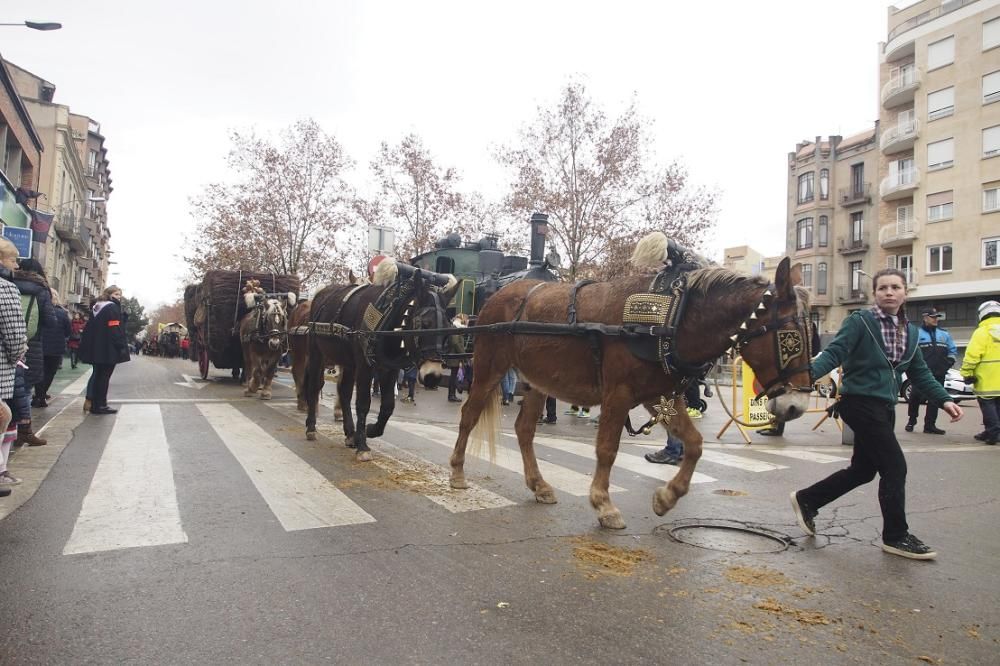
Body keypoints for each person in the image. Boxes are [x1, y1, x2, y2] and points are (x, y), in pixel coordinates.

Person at [789, 268, 963, 560]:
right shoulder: (860, 321)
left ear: (905, 293)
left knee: (863, 470)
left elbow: (919, 373)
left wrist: (944, 400)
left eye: (895, 287)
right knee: (895, 467)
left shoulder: (910, 332)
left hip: (885, 408)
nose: (889, 292)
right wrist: (801, 381)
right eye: (883, 288)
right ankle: (896, 536)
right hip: (859, 404)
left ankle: (807, 499)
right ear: (875, 294)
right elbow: (834, 354)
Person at [10, 258, 55, 447]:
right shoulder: (41, 290)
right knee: (25, 389)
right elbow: (50, 321)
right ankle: (24, 431)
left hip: (6, 338)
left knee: (7, 389)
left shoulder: (9, 283)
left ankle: (8, 431)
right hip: (32, 343)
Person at [759, 326, 823, 437]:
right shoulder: (801, 324)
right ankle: (774, 425)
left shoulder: (802, 325)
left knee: (783, 396)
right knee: (778, 396)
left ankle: (777, 428)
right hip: (790, 365)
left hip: (793, 368)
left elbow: (813, 348)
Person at [77, 285, 131, 415]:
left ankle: (94, 402)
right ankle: (100, 405)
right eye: (117, 294)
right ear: (110, 294)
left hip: (97, 347)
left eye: (120, 295)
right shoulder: (112, 307)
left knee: (98, 375)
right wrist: (121, 346)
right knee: (104, 377)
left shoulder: (97, 306)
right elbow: (114, 327)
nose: (119, 297)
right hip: (108, 348)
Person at [0, 239, 27, 489]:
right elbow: (15, 334)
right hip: (2, 367)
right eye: (12, 260)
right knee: (4, 415)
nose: (16, 265)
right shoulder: (6, 289)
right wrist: (18, 356)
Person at [905, 307, 956, 434]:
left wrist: (948, 363)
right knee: (915, 397)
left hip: (939, 372)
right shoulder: (917, 333)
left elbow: (952, 351)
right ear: (925, 318)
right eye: (932, 317)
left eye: (936, 317)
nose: (935, 319)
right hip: (921, 374)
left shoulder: (944, 334)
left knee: (935, 400)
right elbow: (910, 352)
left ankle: (930, 425)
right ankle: (912, 420)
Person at [961, 300, 1000, 445]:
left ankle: (993, 433)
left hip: (986, 380)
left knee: (988, 406)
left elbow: (972, 356)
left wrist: (966, 373)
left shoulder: (982, 332)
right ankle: (991, 431)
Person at [33, 289, 72, 408]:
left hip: (40, 345)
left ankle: (39, 395)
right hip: (56, 348)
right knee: (50, 372)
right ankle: (42, 395)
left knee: (39, 372)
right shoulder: (62, 313)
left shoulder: (39, 310)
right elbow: (68, 332)